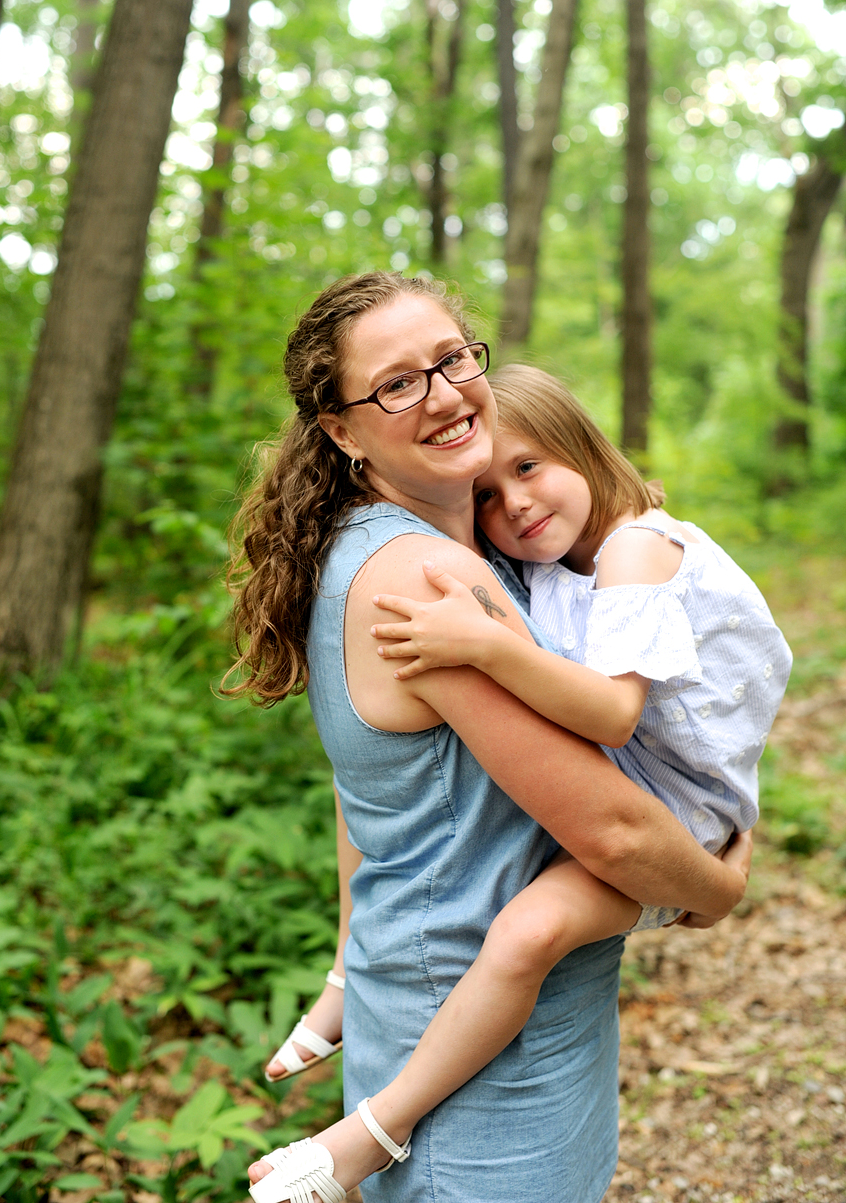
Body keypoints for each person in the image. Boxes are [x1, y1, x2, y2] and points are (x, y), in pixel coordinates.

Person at [227, 273, 752, 1203]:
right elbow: (616, 832)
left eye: (452, 358)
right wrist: (714, 889)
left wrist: (348, 969)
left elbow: (366, 794)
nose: (441, 392)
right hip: (480, 1061)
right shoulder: (434, 578)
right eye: (396, 383)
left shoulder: (392, 544)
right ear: (340, 428)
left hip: (422, 993)